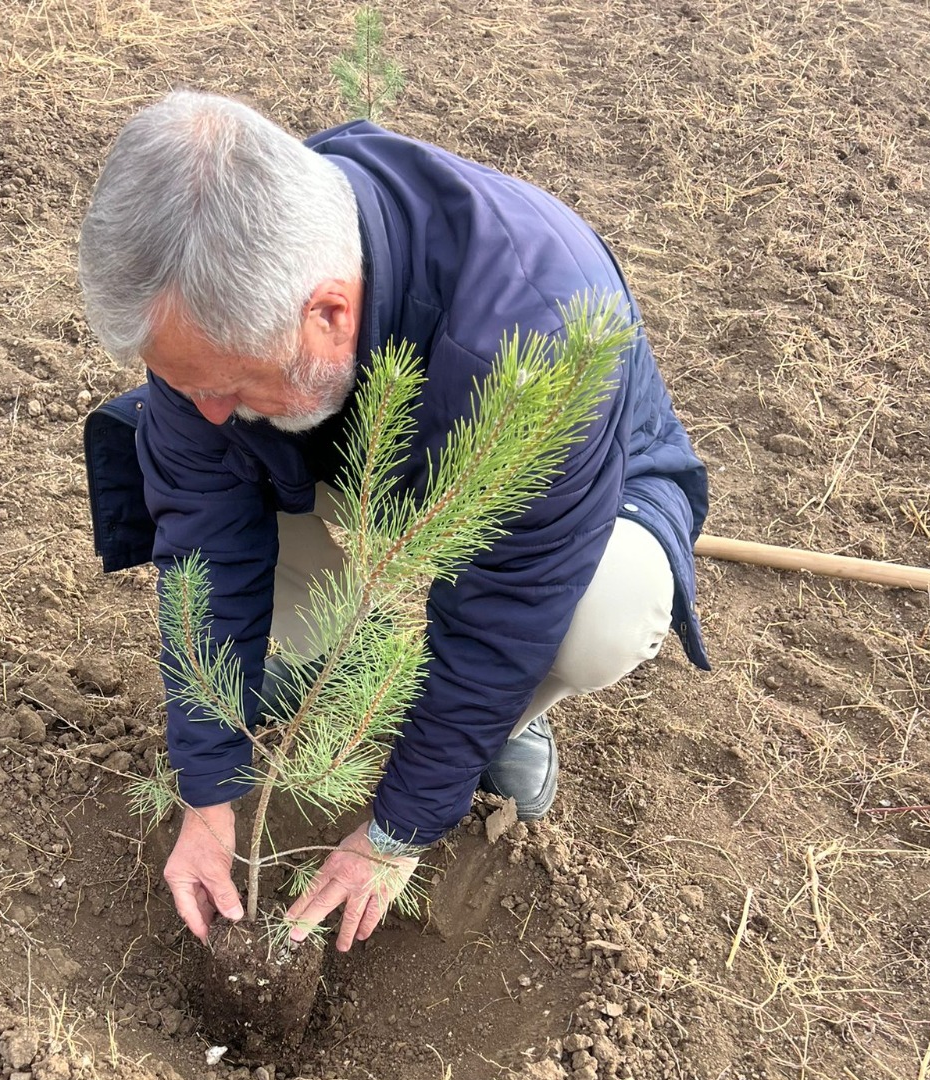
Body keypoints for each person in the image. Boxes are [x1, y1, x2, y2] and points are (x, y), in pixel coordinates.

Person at [78, 92, 709, 953]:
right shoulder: (216, 304)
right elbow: (201, 541)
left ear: (329, 313)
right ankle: (366, 668)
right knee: (291, 644)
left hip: (558, 486)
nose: (209, 411)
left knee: (597, 616)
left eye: (225, 385)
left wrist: (396, 830)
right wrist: (206, 793)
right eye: (184, 384)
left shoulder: (534, 338)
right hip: (348, 457)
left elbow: (508, 606)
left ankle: (504, 723)